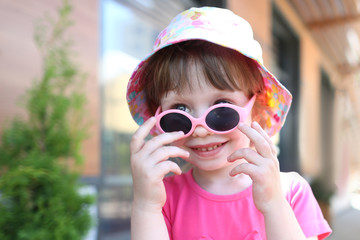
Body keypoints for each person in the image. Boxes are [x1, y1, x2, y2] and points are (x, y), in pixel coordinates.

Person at [126, 6, 332, 240]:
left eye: (222, 107)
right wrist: (146, 206)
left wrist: (274, 204)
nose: (201, 130)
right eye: (179, 111)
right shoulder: (163, 197)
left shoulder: (291, 192)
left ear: (256, 108)